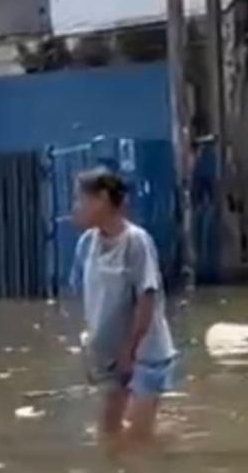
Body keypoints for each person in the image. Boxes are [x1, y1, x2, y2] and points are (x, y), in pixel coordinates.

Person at [71, 168, 177, 448]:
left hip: (143, 354)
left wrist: (129, 351)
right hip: (107, 358)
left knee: (138, 442)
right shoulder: (87, 244)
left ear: (103, 199)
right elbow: (88, 300)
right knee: (108, 436)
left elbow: (147, 299)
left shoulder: (136, 242)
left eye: (81, 199)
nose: (76, 208)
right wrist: (90, 349)